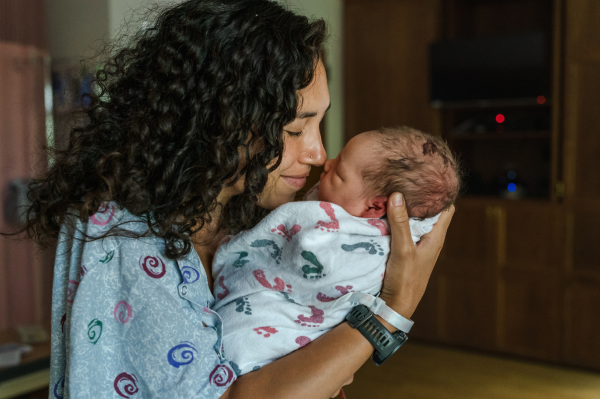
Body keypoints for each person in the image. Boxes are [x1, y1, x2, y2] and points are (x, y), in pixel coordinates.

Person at [18, 1, 454, 398]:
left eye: (319, 125)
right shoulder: (127, 238)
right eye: (295, 129)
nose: (319, 154)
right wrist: (390, 313)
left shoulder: (246, 216)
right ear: (223, 120)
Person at [212, 127, 460, 375]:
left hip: (273, 338)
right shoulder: (343, 208)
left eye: (339, 173)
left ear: (375, 207)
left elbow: (311, 259)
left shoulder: (371, 247)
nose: (326, 163)